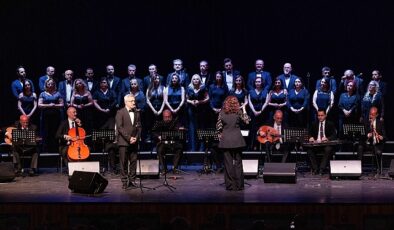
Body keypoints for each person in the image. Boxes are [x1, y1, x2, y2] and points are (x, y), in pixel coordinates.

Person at [217, 95, 250, 191]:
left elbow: (218, 127)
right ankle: (239, 185)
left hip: (226, 141)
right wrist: (244, 109)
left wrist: (220, 135)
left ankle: (230, 186)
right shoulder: (238, 112)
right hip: (237, 140)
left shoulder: (221, 113)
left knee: (228, 164)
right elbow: (247, 121)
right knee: (238, 163)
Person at [115, 94, 142, 189]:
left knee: (133, 161)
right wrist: (129, 138)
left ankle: (132, 180)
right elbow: (120, 127)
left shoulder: (137, 112)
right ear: (126, 102)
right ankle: (124, 181)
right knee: (124, 162)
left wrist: (136, 137)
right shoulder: (120, 112)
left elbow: (139, 127)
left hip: (134, 141)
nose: (134, 102)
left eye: (134, 101)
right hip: (124, 141)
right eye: (132, 101)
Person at [152, 109, 185, 175]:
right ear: (163, 117)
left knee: (180, 148)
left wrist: (181, 130)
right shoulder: (159, 123)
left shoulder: (175, 122)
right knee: (159, 150)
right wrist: (158, 136)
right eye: (165, 117)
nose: (167, 118)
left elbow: (181, 131)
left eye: (168, 117)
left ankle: (175, 168)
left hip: (174, 142)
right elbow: (153, 132)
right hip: (164, 143)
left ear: (171, 116)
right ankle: (164, 169)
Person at [306, 109, 337, 175]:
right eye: (318, 115)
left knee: (328, 149)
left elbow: (334, 135)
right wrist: (310, 137)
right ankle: (315, 168)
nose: (320, 117)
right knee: (309, 150)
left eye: (322, 115)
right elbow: (309, 133)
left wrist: (327, 138)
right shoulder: (314, 124)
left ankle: (321, 169)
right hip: (317, 144)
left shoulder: (330, 124)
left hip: (326, 144)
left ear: (325, 115)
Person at [357, 107, 386, 173]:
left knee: (378, 152)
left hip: (376, 144)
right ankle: (359, 168)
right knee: (360, 147)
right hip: (367, 144)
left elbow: (385, 136)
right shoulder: (365, 122)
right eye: (370, 114)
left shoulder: (380, 123)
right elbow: (360, 135)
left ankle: (378, 169)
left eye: (373, 115)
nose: (371, 116)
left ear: (376, 115)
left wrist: (382, 137)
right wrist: (367, 135)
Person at [38, 78, 64, 152]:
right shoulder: (42, 94)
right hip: (45, 116)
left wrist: (54, 105)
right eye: (49, 84)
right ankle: (45, 150)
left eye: (52, 84)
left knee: (55, 131)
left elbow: (62, 104)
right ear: (46, 85)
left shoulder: (58, 93)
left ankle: (55, 149)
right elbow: (39, 105)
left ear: (54, 84)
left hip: (56, 116)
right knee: (46, 132)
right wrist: (49, 105)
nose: (50, 85)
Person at [186, 74, 209, 151]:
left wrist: (200, 102)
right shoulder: (189, 88)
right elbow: (186, 99)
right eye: (194, 79)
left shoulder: (203, 88)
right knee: (192, 129)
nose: (195, 80)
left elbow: (207, 98)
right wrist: (191, 102)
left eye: (197, 79)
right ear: (192, 80)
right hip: (192, 111)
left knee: (201, 129)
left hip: (201, 110)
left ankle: (201, 149)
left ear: (200, 80)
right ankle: (193, 149)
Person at [55, 106, 83, 170]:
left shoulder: (78, 123)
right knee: (65, 152)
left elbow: (83, 134)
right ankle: (70, 169)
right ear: (68, 113)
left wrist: (80, 125)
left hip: (78, 144)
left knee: (87, 150)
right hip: (66, 145)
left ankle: (81, 167)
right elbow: (57, 135)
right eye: (74, 112)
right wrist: (65, 136)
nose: (76, 114)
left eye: (76, 112)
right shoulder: (63, 123)